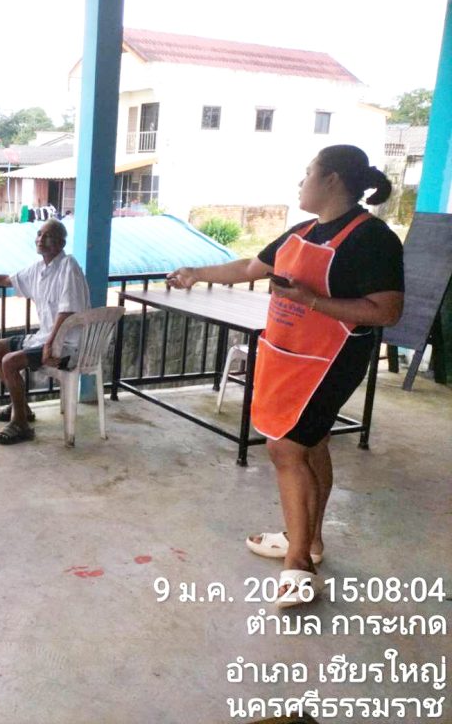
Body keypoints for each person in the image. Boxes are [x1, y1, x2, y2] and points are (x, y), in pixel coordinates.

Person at [167, 145, 404, 607]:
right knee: (312, 444)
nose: (301, 182)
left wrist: (310, 300)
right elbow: (249, 268)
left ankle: (299, 565)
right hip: (290, 357)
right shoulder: (301, 232)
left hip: (332, 360)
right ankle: (308, 539)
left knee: (285, 448)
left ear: (332, 180)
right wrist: (196, 273)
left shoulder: (372, 238)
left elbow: (387, 311)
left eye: (308, 172)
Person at [0, 219, 90, 445]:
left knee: (10, 362)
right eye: (39, 234)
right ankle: (21, 407)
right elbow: (7, 279)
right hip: (45, 338)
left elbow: (67, 311)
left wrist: (50, 344)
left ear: (61, 243)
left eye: (48, 236)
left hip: (66, 346)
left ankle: (21, 424)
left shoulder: (68, 266)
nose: (41, 239)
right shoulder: (39, 269)